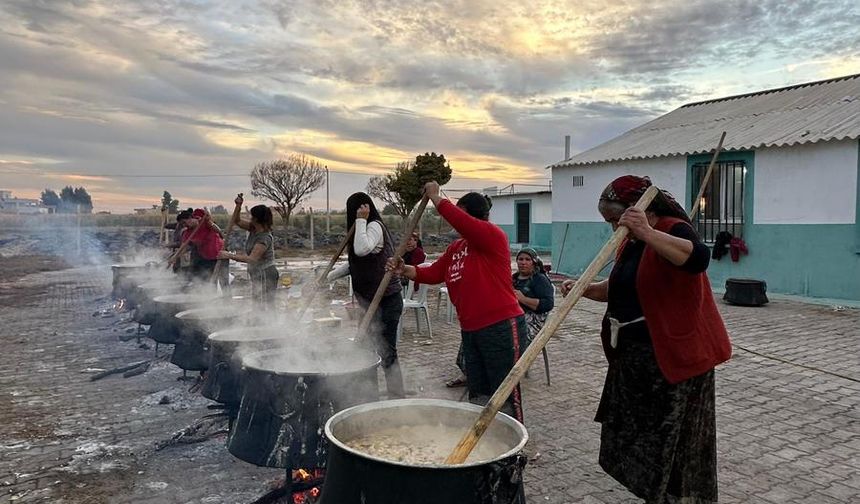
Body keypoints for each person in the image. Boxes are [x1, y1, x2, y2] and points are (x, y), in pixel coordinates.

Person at [560, 175, 732, 503]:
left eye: (614, 218)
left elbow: (697, 258)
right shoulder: (629, 241)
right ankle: (654, 494)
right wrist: (583, 289)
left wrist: (647, 232)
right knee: (637, 437)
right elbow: (621, 287)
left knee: (672, 443)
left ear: (638, 209)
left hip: (673, 362)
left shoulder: (672, 228)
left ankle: (675, 497)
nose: (612, 227)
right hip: (636, 362)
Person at [387, 182, 527, 423]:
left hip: (501, 327)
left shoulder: (492, 236)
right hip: (471, 330)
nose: (456, 224)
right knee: (479, 394)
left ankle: (511, 455)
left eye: (461, 216)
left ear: (474, 217)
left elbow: (459, 220)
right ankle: (482, 446)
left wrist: (435, 197)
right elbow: (433, 273)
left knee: (503, 394)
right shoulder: (457, 248)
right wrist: (405, 269)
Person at [328, 192, 405, 398]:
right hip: (368, 301)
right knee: (364, 349)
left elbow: (363, 250)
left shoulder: (374, 227)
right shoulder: (359, 231)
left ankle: (396, 398)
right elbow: (355, 264)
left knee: (387, 351)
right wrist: (327, 277)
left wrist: (361, 220)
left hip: (386, 300)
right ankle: (367, 394)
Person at [218, 194, 279, 305]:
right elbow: (237, 221)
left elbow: (252, 259)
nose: (250, 218)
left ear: (257, 219)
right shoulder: (253, 228)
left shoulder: (264, 238)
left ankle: (267, 322)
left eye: (252, 216)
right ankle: (259, 321)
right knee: (258, 302)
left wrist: (229, 255)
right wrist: (238, 206)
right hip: (257, 274)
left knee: (265, 305)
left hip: (265, 274)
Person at [512, 247, 554, 344]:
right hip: (513, 318)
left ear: (534, 262)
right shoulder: (514, 278)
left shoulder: (539, 279)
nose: (523, 262)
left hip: (532, 322)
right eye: (520, 259)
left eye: (527, 259)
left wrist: (523, 299)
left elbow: (548, 304)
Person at [180, 208, 225, 282]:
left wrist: (208, 221)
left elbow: (218, 231)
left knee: (223, 280)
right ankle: (208, 293)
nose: (185, 226)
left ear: (190, 218)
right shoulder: (187, 233)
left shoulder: (203, 221)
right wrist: (174, 258)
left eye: (184, 223)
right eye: (182, 224)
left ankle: (227, 293)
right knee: (207, 280)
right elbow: (183, 247)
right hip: (205, 257)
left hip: (219, 254)